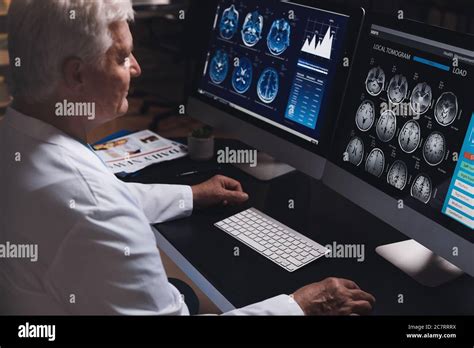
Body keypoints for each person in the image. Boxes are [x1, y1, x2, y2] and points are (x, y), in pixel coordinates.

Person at [0, 0, 375, 315]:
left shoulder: (18, 137)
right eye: (123, 56)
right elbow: (99, 207)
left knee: (188, 292)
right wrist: (299, 305)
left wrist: (192, 195)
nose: (137, 68)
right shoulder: (95, 208)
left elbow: (102, 199)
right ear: (76, 76)